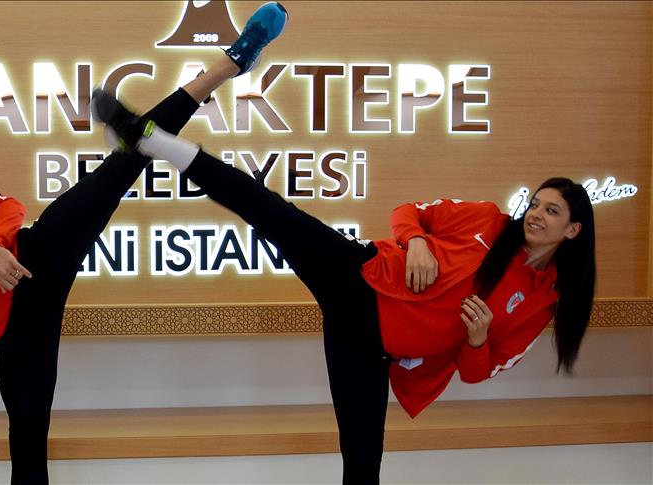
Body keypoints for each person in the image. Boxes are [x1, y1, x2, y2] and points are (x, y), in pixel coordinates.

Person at [0, 3, 289, 483]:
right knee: (27, 448)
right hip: (16, 332)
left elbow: (6, 205)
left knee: (125, 161)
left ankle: (230, 63)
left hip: (33, 256)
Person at [90, 91, 597, 484]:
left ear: (573, 230)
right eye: (536, 203)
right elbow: (408, 213)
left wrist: (479, 338)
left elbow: (476, 373)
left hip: (369, 348)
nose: (536, 214)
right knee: (267, 210)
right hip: (360, 277)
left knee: (362, 461)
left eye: (551, 211)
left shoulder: (541, 304)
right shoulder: (488, 219)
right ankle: (151, 138)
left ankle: (149, 139)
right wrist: (418, 243)